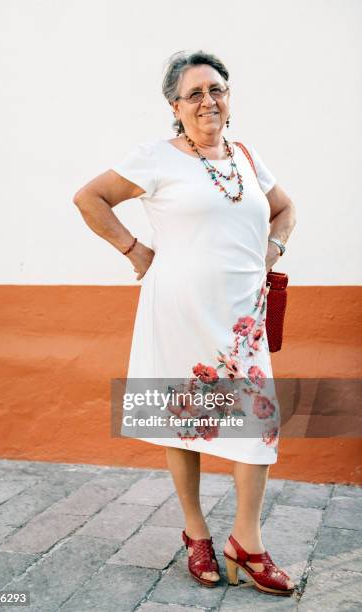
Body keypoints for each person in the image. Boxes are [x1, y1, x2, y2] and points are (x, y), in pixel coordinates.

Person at [73, 50, 297, 597]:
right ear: (175, 105)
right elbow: (89, 198)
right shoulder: (157, 157)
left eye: (216, 89)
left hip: (242, 316)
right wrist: (134, 250)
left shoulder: (246, 156)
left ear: (229, 96)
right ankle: (196, 531)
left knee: (257, 423)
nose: (208, 101)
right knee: (184, 417)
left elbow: (285, 209)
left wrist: (270, 251)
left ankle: (247, 540)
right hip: (178, 311)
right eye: (194, 93)